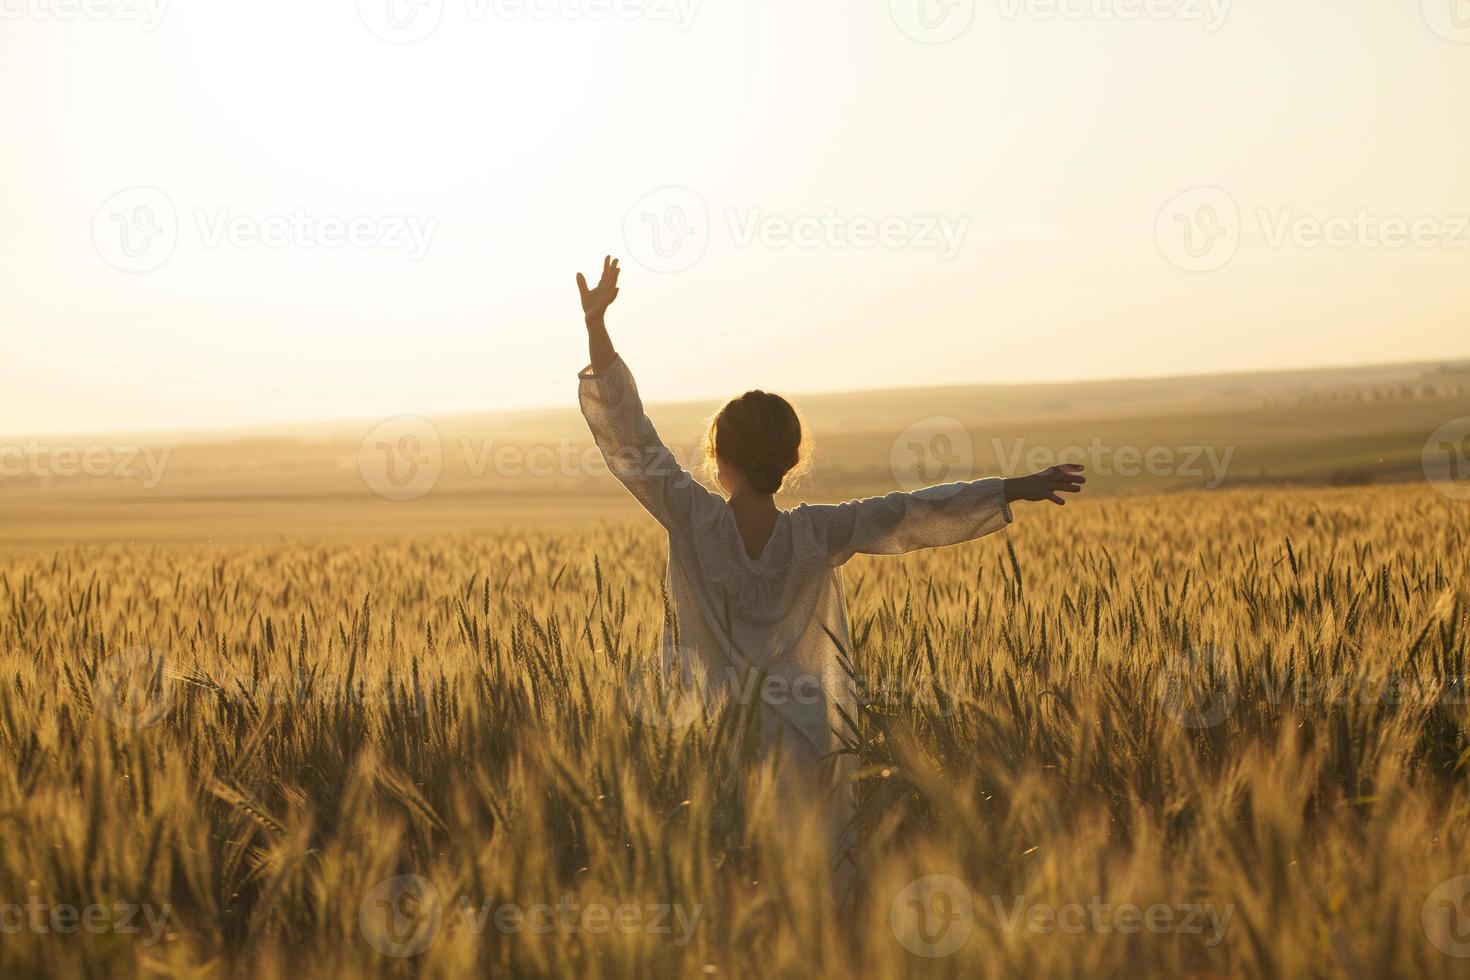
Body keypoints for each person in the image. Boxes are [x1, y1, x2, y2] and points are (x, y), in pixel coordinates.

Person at [575, 256, 1086, 871]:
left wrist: (596, 324)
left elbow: (632, 438)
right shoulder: (817, 533)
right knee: (814, 889)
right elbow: (912, 511)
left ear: (717, 454)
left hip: (725, 744)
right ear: (790, 459)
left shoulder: (692, 519)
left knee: (742, 892)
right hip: (809, 742)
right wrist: (1010, 488)